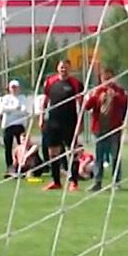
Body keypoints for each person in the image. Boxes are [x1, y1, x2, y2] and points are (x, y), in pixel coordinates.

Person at [38, 59, 85, 192]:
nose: (63, 69)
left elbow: (81, 104)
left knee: (73, 152)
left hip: (70, 122)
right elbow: (45, 101)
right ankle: (56, 181)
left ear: (70, 69)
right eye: (61, 67)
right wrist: (41, 117)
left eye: (66, 67)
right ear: (57, 68)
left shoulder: (75, 84)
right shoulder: (50, 82)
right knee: (53, 152)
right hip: (53, 122)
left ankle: (74, 182)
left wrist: (81, 122)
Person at [86, 66, 128, 191]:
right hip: (99, 129)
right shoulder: (97, 91)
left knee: (115, 155)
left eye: (109, 77)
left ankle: (116, 182)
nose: (106, 80)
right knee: (99, 156)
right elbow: (88, 107)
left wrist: (115, 96)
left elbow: (124, 106)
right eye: (104, 77)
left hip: (114, 128)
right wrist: (92, 97)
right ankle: (97, 182)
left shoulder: (119, 91)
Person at [0, 79, 30, 177]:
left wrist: (15, 110)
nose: (14, 89)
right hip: (8, 125)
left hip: (19, 125)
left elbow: (24, 110)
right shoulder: (6, 98)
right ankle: (10, 167)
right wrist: (15, 108)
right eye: (12, 87)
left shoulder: (22, 98)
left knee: (22, 147)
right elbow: (2, 109)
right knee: (8, 147)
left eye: (16, 87)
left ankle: (22, 166)